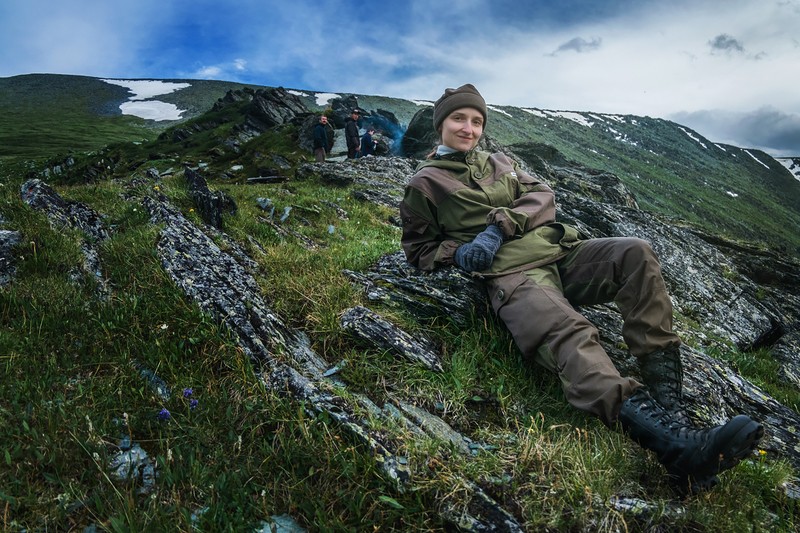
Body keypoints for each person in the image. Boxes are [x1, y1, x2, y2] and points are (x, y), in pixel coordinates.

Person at [399, 83, 764, 495]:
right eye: (458, 119)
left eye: (476, 120)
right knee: (569, 330)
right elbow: (419, 250)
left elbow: (541, 195)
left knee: (635, 253)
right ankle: (674, 447)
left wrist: (496, 228)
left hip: (559, 250)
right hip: (513, 273)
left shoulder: (500, 161)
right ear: (441, 124)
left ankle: (671, 411)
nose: (468, 128)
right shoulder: (425, 183)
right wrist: (460, 251)